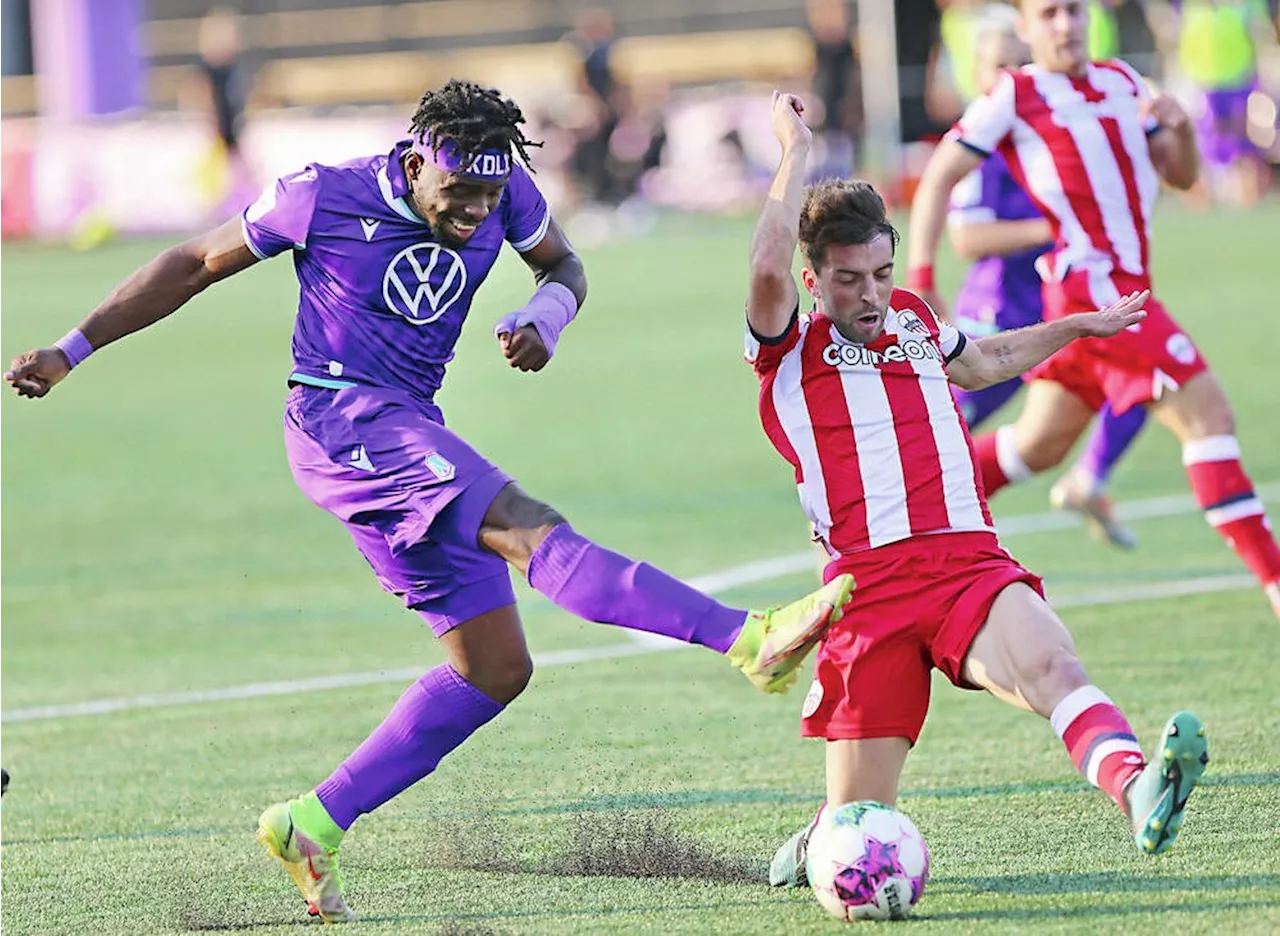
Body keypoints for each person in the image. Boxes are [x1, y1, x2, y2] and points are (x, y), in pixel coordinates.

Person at [4, 79, 855, 923]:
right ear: (416, 163)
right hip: (340, 420)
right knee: (527, 528)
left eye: (490, 193)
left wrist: (547, 317)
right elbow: (191, 263)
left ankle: (312, 822)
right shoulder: (319, 196)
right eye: (459, 193)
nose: (477, 211)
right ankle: (746, 638)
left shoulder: (503, 187)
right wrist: (72, 348)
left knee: (494, 669)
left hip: (406, 427)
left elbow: (565, 263)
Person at [748, 91, 1207, 887]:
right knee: (857, 822)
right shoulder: (789, 346)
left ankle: (1139, 790)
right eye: (850, 280)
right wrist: (794, 147)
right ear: (813, 279)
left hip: (969, 566)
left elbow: (984, 360)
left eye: (883, 274)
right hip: (870, 591)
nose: (871, 295)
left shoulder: (916, 318)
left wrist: (1076, 327)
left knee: (1053, 666)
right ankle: (822, 834)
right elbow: (762, 266)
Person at [906, 0, 1280, 618]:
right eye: (1048, 14)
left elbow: (1184, 180)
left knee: (1036, 446)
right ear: (1026, 28)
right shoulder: (1015, 95)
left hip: (1109, 292)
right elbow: (940, 175)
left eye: (1073, 11)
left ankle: (905, 511)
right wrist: (923, 278)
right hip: (1098, 297)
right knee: (1209, 419)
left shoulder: (1123, 82)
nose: (1065, 24)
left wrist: (1182, 128)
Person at [948, 5, 1146, 547]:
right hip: (998, 316)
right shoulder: (982, 148)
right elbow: (966, 238)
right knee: (939, 432)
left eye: (1018, 62)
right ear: (978, 73)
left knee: (1142, 375)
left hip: (1056, 308)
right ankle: (902, 513)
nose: (1011, 75)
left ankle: (1090, 479)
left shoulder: (1054, 127)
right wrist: (1055, 225)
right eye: (998, 65)